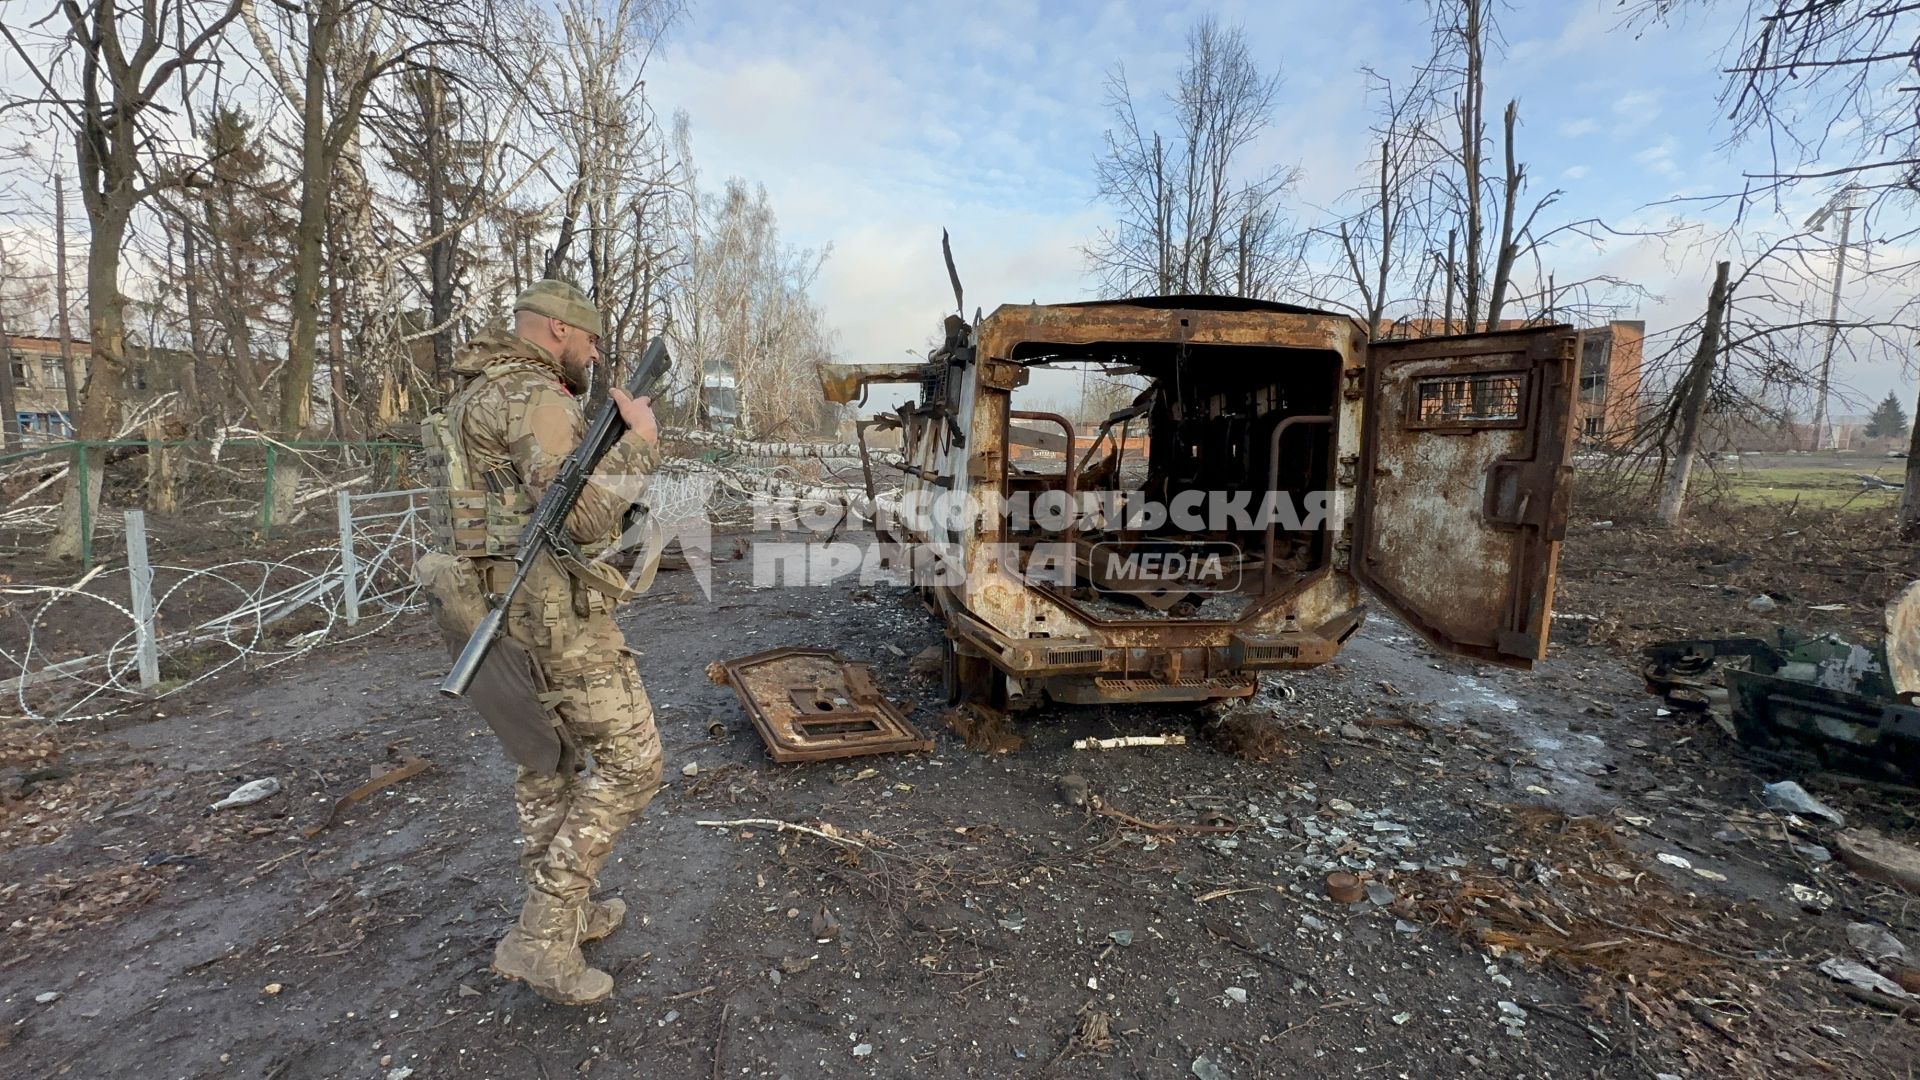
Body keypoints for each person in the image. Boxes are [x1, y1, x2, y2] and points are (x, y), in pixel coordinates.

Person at [423, 279, 664, 1005]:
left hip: (488, 607)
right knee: (633, 762)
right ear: (558, 331)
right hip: (546, 612)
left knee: (545, 760)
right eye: (589, 340)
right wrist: (641, 448)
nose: (594, 354)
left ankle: (568, 915)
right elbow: (586, 517)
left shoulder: (472, 395)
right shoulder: (533, 397)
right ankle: (540, 934)